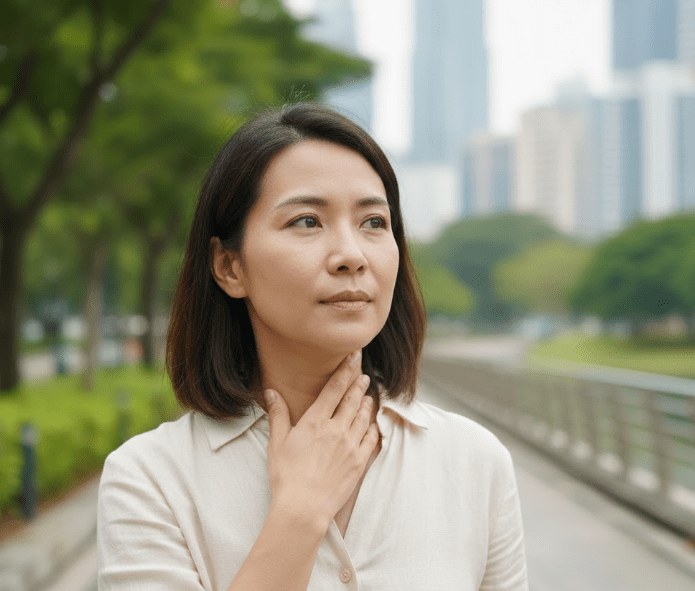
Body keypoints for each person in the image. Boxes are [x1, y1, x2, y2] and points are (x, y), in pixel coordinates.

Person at [97, 102, 528, 591]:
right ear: (229, 266)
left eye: (373, 223)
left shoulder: (473, 460)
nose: (351, 255)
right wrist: (299, 513)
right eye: (306, 221)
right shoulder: (151, 479)